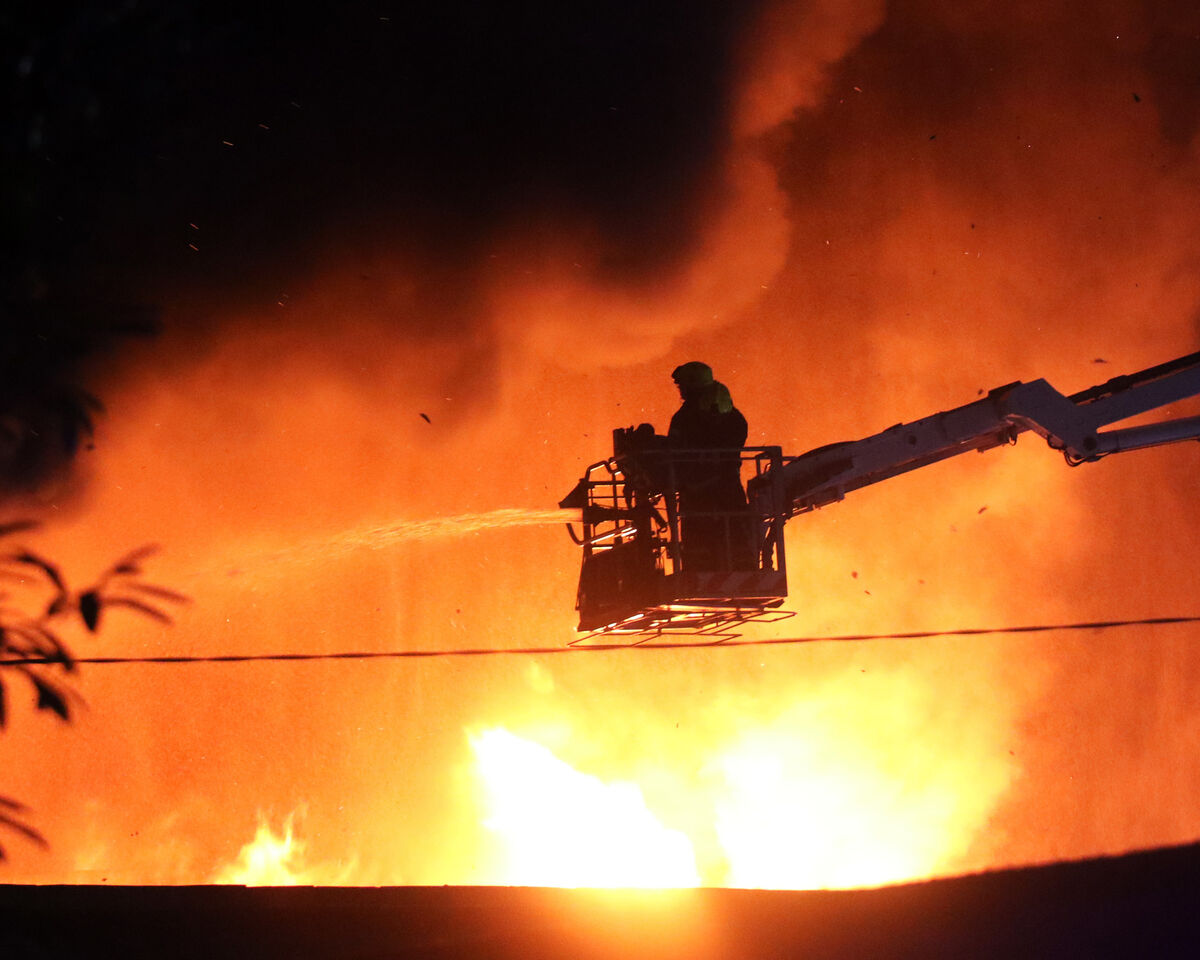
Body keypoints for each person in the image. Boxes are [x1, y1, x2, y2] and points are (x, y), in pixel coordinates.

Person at [666, 362, 754, 570]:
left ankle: (699, 569)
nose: (680, 391)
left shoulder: (686, 417)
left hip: (698, 492)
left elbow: (675, 449)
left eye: (682, 386)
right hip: (729, 488)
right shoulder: (733, 415)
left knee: (699, 539)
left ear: (692, 386)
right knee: (735, 532)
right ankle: (744, 567)